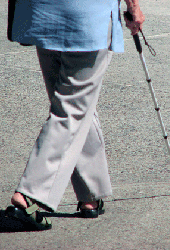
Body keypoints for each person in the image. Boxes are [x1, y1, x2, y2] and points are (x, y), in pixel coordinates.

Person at [6, 0, 145, 230]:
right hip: (85, 18)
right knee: (71, 111)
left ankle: (90, 194)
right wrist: (134, 7)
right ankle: (29, 195)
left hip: (42, 13)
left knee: (73, 105)